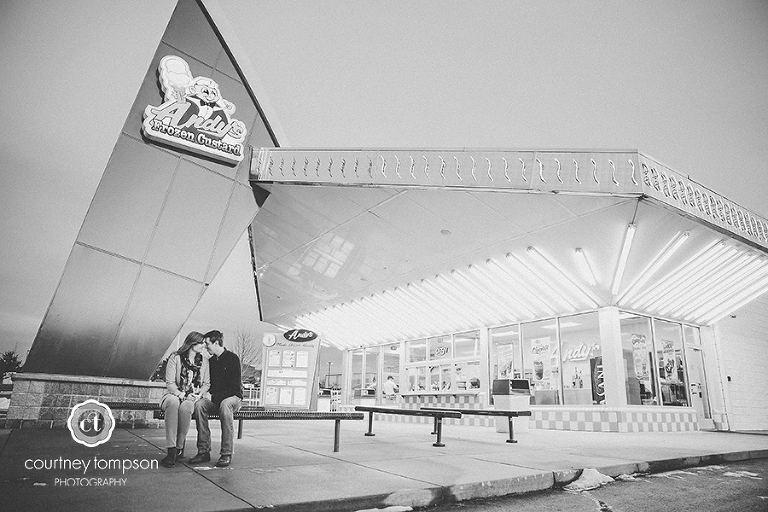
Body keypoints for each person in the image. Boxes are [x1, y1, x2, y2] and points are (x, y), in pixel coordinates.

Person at [190, 330, 242, 468]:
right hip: (216, 399)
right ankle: (203, 451)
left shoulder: (233, 359)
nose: (206, 346)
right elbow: (208, 384)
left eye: (207, 343)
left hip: (233, 398)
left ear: (216, 342)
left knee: (225, 406)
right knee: (200, 405)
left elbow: (234, 388)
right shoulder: (211, 361)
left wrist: (214, 396)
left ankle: (226, 453)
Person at [159, 331, 209, 468]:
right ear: (192, 343)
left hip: (192, 398)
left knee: (186, 406)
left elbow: (206, 384)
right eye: (201, 343)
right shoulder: (175, 357)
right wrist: (182, 394)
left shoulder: (204, 361)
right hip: (174, 394)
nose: (204, 346)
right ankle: (171, 449)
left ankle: (178, 448)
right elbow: (170, 383)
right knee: (173, 402)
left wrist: (199, 395)